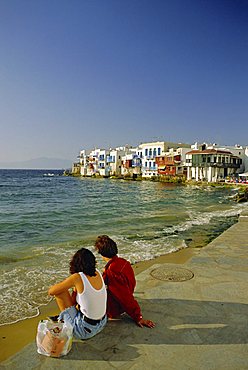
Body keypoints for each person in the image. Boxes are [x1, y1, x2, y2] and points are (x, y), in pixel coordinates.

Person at [94, 235, 155, 328]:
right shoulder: (123, 262)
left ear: (101, 253)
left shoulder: (112, 271)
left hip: (116, 309)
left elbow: (125, 297)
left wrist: (138, 317)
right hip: (125, 295)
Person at [48, 247, 107, 339]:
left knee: (60, 292)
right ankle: (65, 318)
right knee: (75, 291)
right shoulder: (97, 272)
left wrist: (67, 284)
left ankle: (64, 322)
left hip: (84, 331)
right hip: (101, 323)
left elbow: (51, 291)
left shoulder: (77, 277)